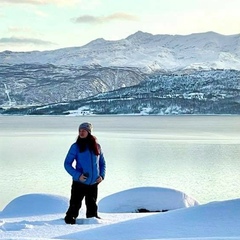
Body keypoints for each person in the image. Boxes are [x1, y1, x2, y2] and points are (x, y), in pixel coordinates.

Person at [64, 122, 106, 224]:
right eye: (79, 131)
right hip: (80, 182)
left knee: (92, 206)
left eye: (83, 130)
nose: (81, 133)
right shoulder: (76, 147)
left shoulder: (97, 146)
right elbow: (67, 164)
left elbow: (102, 163)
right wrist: (78, 176)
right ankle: (68, 223)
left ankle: (92, 223)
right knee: (75, 205)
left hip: (93, 183)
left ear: (89, 132)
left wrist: (101, 176)